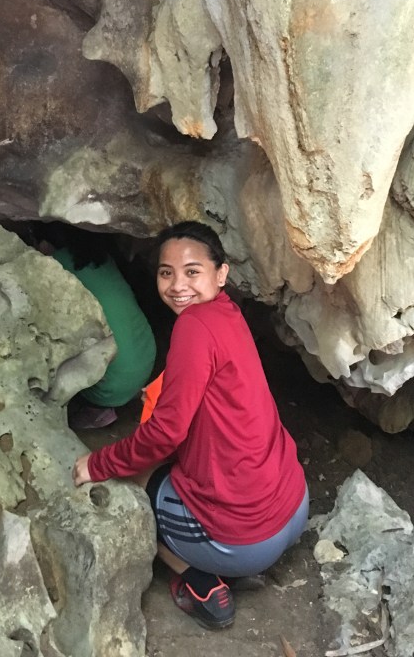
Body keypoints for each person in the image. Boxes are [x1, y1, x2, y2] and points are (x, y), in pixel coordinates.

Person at [72, 221, 309, 631]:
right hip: (294, 505)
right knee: (167, 463)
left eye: (192, 271)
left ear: (221, 273)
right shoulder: (228, 312)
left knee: (131, 483)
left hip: (248, 539)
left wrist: (98, 464)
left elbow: (165, 434)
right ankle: (227, 562)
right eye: (167, 272)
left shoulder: (193, 327)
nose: (178, 285)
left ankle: (199, 579)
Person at [40, 224, 156, 430]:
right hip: (147, 357)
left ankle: (98, 410)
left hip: (115, 385)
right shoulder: (103, 258)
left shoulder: (55, 264)